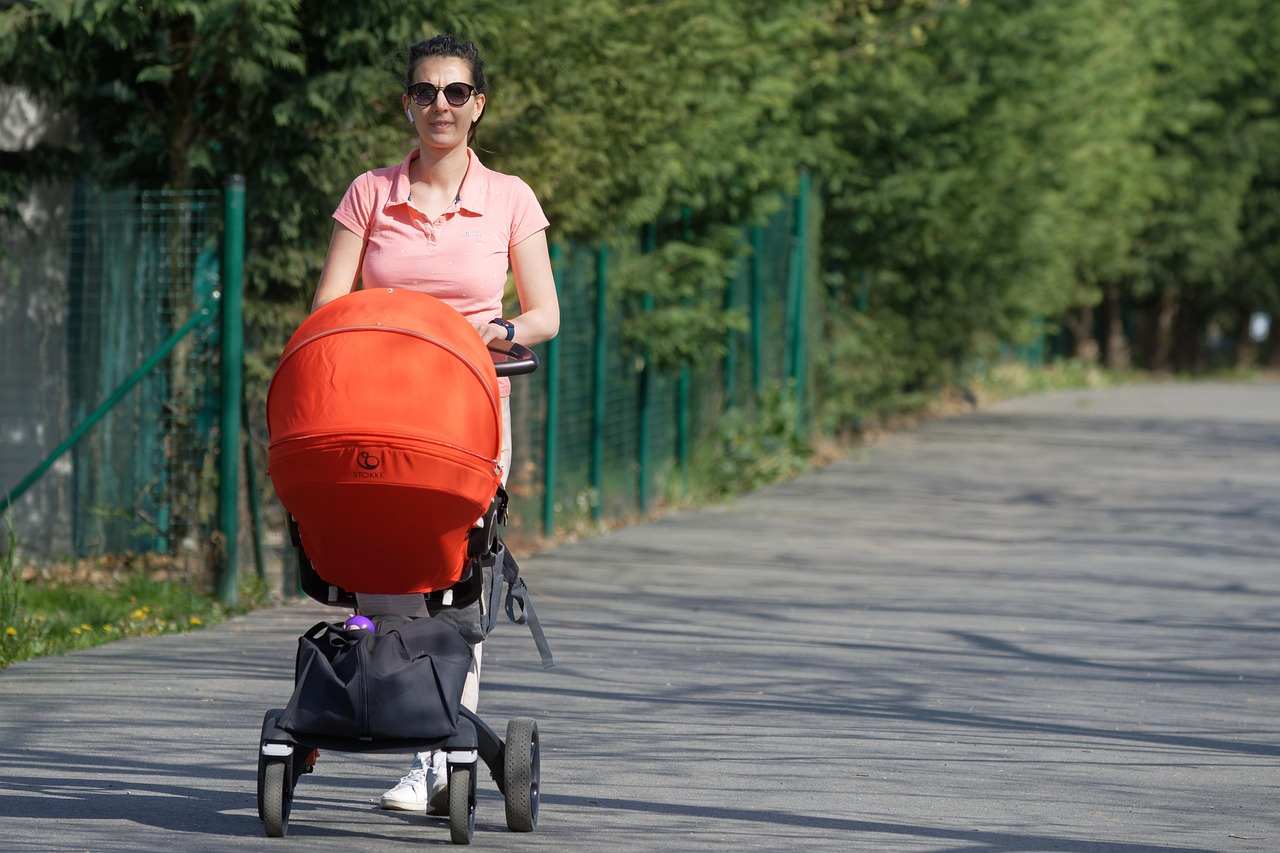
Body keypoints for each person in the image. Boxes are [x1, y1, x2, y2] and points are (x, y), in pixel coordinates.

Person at [309, 34, 559, 814]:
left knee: (455, 574)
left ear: (478, 105)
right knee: (382, 572)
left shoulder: (510, 198)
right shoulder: (370, 194)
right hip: (377, 410)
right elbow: (328, 306)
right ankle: (393, 710)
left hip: (468, 413)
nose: (439, 105)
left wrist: (497, 331)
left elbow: (545, 314)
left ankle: (436, 754)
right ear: (407, 105)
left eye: (455, 92)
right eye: (425, 92)